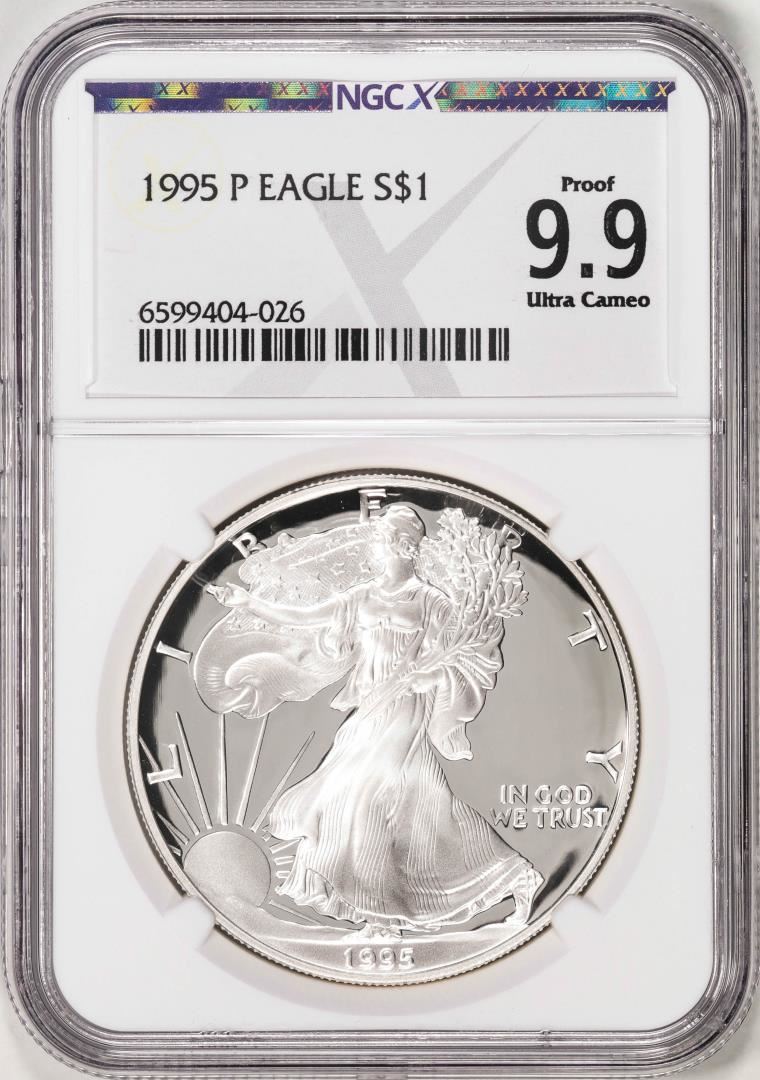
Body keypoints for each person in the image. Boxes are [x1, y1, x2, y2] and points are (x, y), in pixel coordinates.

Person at [207, 504, 543, 936]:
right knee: (404, 803)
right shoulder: (363, 596)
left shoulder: (432, 602)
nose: (379, 549)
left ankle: (383, 919)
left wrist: (428, 674)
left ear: (404, 546)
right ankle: (512, 876)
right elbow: (308, 617)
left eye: (385, 541)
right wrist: (249, 602)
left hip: (406, 707)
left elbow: (457, 658)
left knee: (369, 797)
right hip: (370, 708)